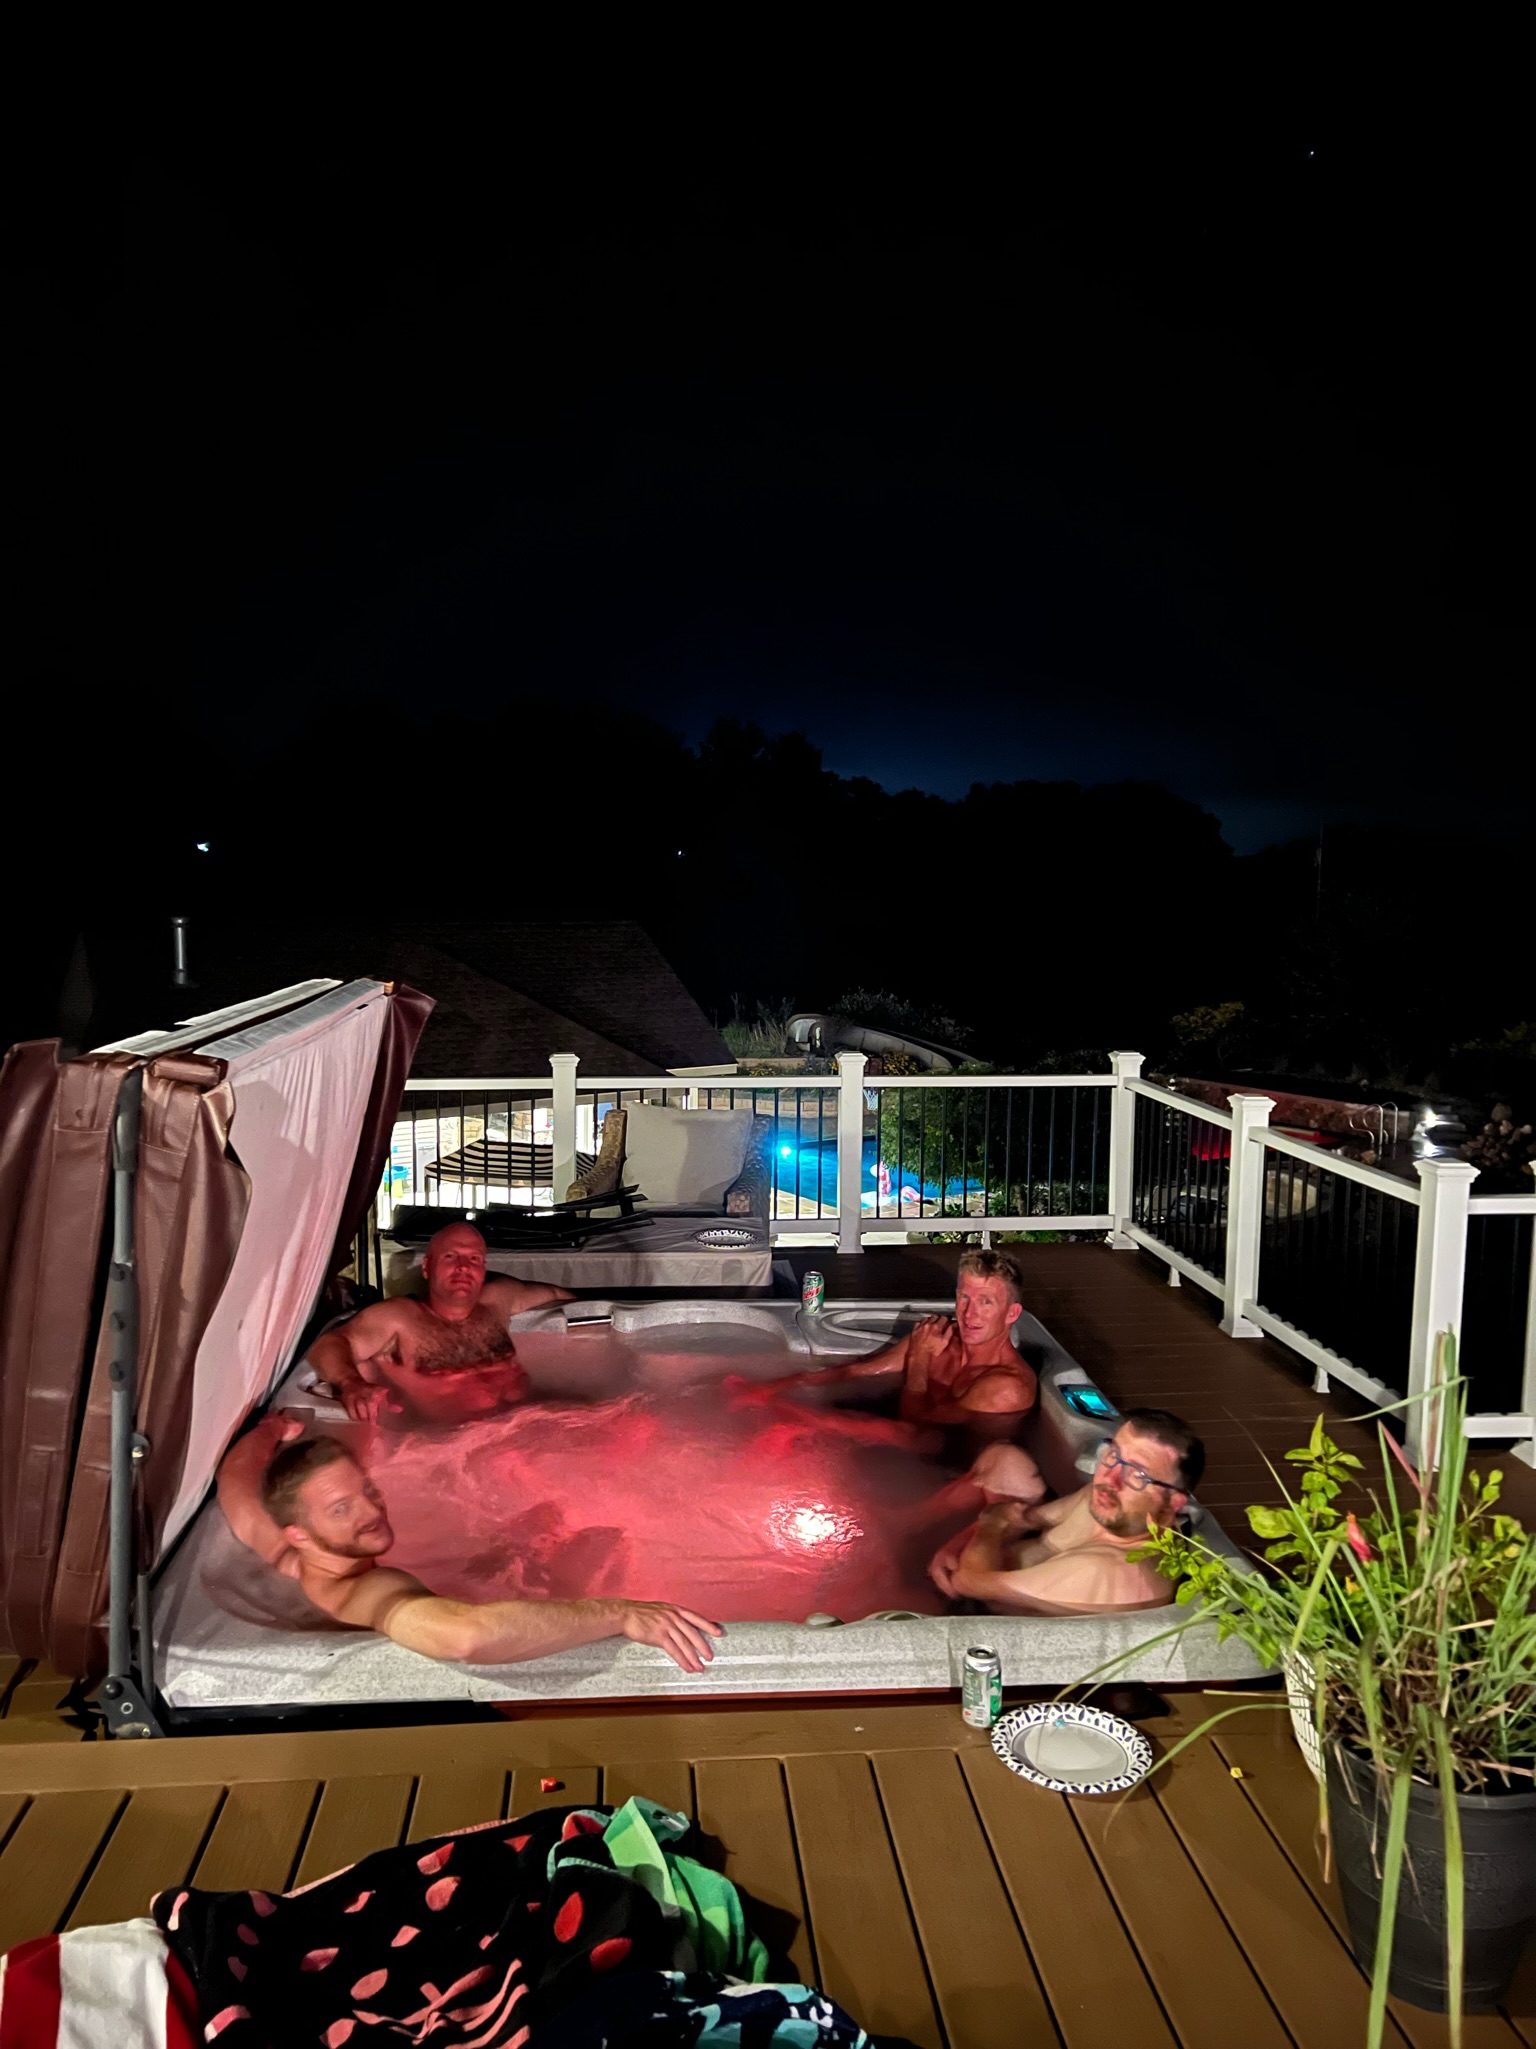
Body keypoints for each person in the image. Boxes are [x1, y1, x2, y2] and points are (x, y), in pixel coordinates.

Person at [217, 1414, 723, 1673]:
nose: (372, 1511)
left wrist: (271, 1428)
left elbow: (235, 1481)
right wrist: (621, 1613)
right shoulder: (367, 1590)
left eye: (366, 1490)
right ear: (300, 1532)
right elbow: (467, 1637)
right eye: (341, 1509)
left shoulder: (284, 1551)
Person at [928, 1409, 1204, 1616]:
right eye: (1113, 1454)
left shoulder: (1110, 1572)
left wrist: (989, 1526)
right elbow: (1019, 1517)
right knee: (1004, 1458)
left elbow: (969, 1582)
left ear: (1172, 1503)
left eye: (1138, 1475)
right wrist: (955, 1546)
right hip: (975, 1577)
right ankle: (913, 1522)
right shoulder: (1106, 1503)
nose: (1110, 1478)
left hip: (986, 1623)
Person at [783, 1249, 1043, 1465]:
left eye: (986, 1302)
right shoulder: (939, 1338)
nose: (969, 1313)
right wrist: (777, 1387)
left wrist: (919, 1359)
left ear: (1011, 1313)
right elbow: (857, 1371)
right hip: (901, 1446)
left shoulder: (1007, 1387)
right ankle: (789, 1417)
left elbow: (911, 1431)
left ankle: (796, 1420)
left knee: (917, 1437)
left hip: (954, 1472)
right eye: (965, 1297)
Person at [309, 1221, 573, 1424]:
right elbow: (329, 1344)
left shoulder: (498, 1301)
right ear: (427, 1267)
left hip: (527, 1423)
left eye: (473, 1259)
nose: (463, 1267)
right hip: (451, 1443)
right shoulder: (401, 1318)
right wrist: (351, 1384)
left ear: (483, 1269)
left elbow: (559, 1296)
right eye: (450, 1256)